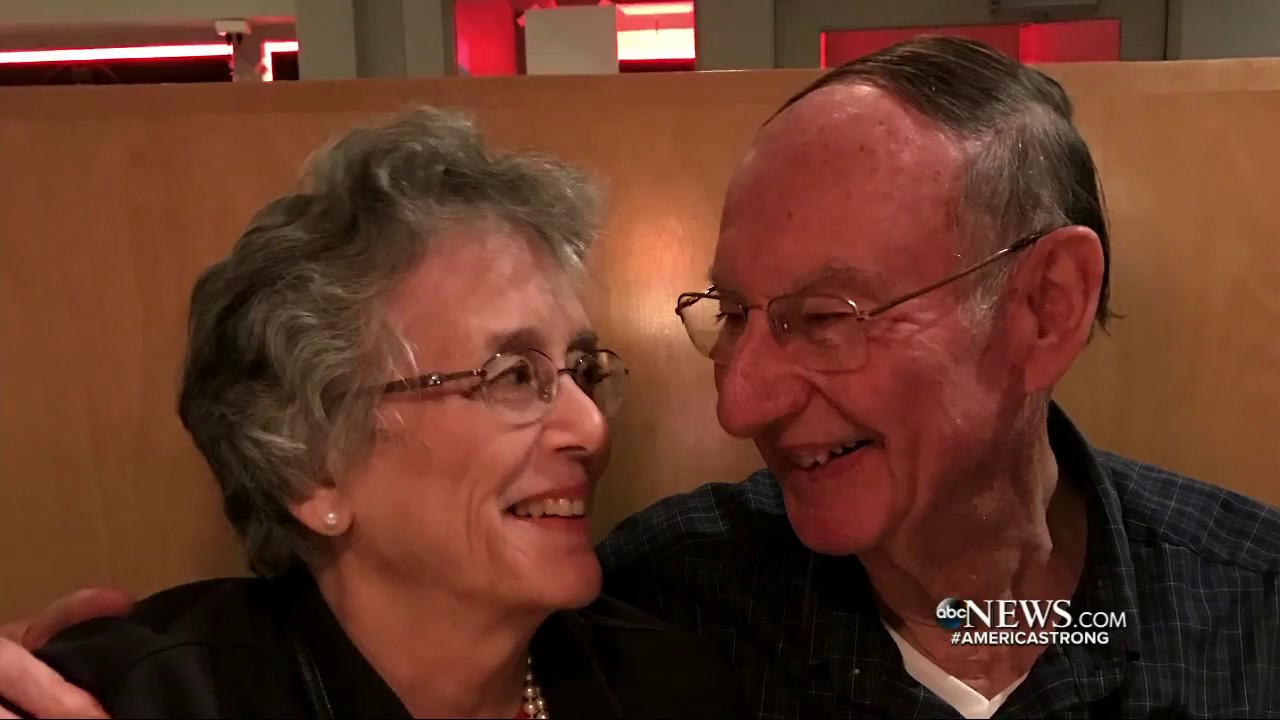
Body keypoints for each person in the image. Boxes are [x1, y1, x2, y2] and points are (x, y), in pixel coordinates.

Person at [4, 35, 1280, 720]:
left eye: (824, 317)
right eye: (733, 318)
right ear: (309, 461)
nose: (738, 403)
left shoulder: (1249, 614)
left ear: (1043, 308)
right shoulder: (685, 595)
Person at [0, 106, 739, 719]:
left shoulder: (663, 685)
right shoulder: (149, 698)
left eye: (582, 370)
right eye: (514, 374)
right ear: (313, 466)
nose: (590, 428)